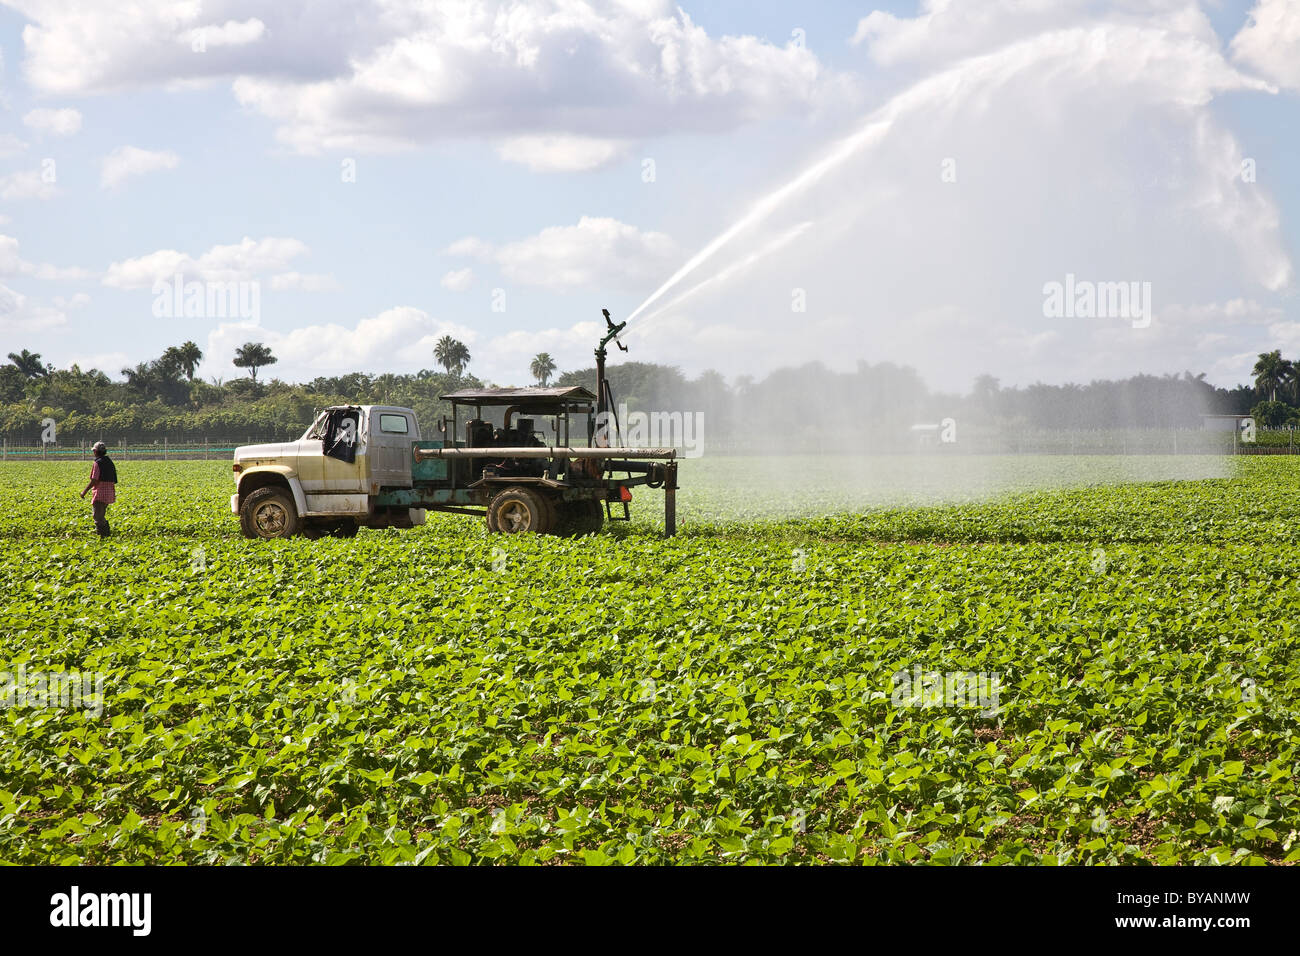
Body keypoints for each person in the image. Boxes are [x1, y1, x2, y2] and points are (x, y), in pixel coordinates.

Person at [80, 441, 117, 537]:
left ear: (96, 452)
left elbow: (94, 480)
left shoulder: (97, 463)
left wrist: (84, 492)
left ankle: (103, 536)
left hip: (100, 493)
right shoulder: (109, 461)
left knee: (97, 517)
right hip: (109, 493)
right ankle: (106, 535)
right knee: (101, 516)